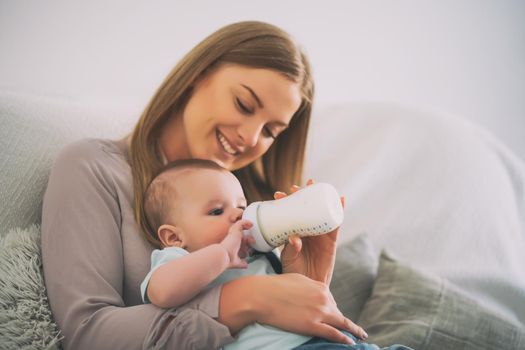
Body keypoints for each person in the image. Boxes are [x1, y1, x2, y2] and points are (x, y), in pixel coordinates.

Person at [41, 21, 360, 349]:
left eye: (269, 131)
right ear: (198, 74)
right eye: (244, 105)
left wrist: (309, 284)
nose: (250, 138)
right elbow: (84, 334)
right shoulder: (95, 169)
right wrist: (241, 300)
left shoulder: (256, 209)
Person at [141, 159, 412, 350]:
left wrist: (296, 266)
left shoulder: (258, 253)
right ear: (174, 237)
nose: (237, 215)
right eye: (216, 211)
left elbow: (298, 300)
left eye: (241, 205)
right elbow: (163, 293)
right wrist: (222, 253)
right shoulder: (179, 259)